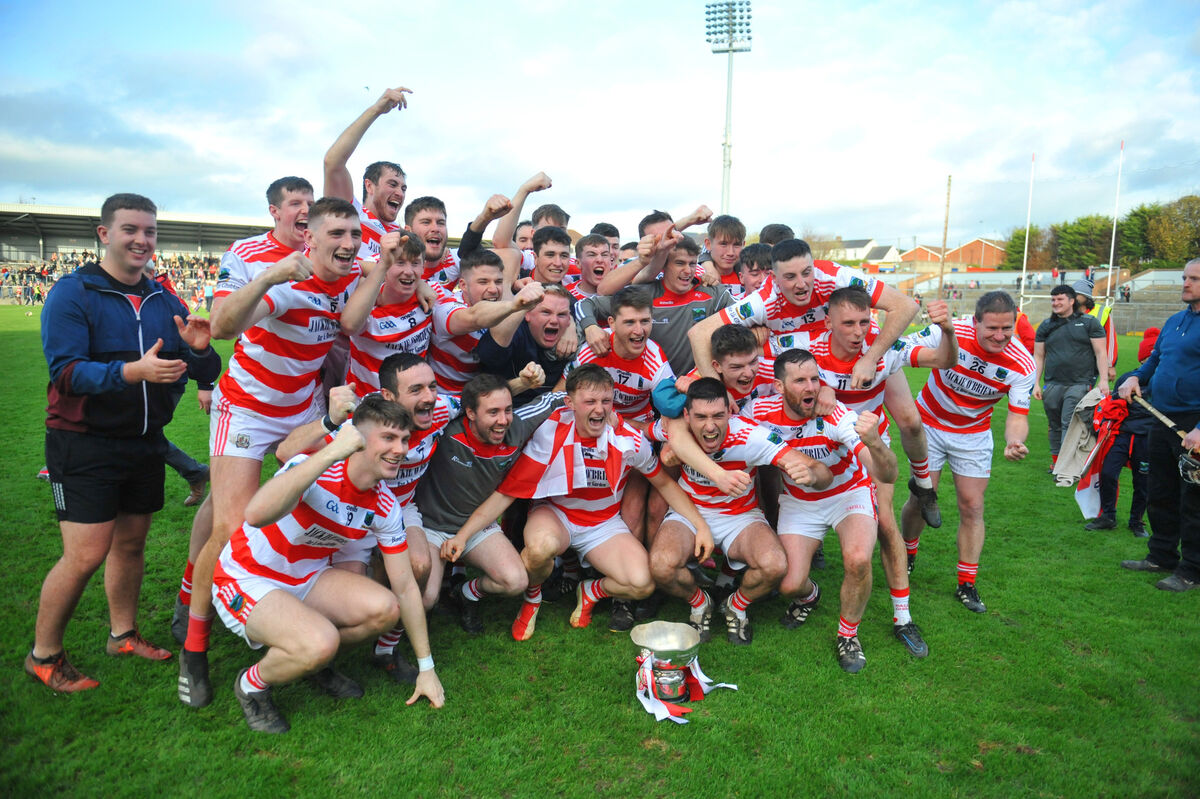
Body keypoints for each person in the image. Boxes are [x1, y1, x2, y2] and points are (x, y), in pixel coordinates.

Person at [178, 197, 368, 709]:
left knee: (309, 521)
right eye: (337, 235)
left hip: (302, 411)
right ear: (310, 238)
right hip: (245, 409)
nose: (348, 244)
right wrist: (268, 277)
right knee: (232, 526)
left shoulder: (353, 277)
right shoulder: (286, 278)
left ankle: (301, 639)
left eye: (354, 234)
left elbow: (361, 313)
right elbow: (220, 326)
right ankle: (194, 649)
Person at [27, 193, 220, 693]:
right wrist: (131, 372)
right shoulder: (73, 293)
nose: (142, 240)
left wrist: (200, 352)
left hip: (144, 442)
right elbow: (65, 374)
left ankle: (123, 634)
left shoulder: (164, 299)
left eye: (150, 231)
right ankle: (43, 655)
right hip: (82, 442)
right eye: (131, 229)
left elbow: (205, 367)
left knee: (131, 543)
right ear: (104, 234)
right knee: (85, 554)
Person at [213, 395, 443, 733]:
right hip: (247, 575)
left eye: (404, 439)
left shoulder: (384, 505)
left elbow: (406, 586)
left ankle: (313, 660)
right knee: (320, 642)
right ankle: (252, 685)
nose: (400, 449)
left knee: (385, 608)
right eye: (389, 438)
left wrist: (427, 667)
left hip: (307, 577)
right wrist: (332, 451)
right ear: (358, 438)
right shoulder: (316, 467)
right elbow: (255, 514)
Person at [445, 366, 713, 640]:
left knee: (642, 584)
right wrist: (464, 535)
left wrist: (700, 526)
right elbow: (507, 493)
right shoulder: (550, 432)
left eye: (606, 401)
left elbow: (665, 484)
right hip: (556, 514)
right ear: (570, 403)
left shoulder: (626, 440)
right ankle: (533, 597)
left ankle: (590, 591)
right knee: (539, 549)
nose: (599, 409)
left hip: (602, 523)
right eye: (590, 402)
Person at [774, 289, 960, 657]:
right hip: (822, 442)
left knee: (886, 525)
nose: (859, 331)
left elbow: (941, 359)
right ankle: (798, 583)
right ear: (827, 323)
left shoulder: (882, 348)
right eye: (848, 323)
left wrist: (949, 332)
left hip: (867, 441)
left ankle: (903, 618)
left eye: (864, 321)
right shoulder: (806, 346)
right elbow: (756, 358)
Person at [743, 350, 897, 673]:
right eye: (800, 380)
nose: (811, 387)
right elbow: (732, 434)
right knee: (788, 585)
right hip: (800, 502)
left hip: (847, 494)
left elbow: (885, 474)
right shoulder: (759, 410)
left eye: (815, 379)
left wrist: (876, 444)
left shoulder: (835, 415)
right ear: (779, 387)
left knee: (857, 560)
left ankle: (848, 634)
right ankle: (810, 596)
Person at [647, 378, 831, 645]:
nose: (710, 426)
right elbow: (640, 429)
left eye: (718, 416)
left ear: (729, 413)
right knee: (660, 566)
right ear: (687, 415)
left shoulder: (750, 436)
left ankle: (736, 604)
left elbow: (820, 471)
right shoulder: (677, 430)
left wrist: (812, 475)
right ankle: (701, 602)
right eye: (700, 417)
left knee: (775, 565)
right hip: (689, 513)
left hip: (740, 517)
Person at [900, 291, 1036, 613]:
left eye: (1007, 329)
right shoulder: (951, 330)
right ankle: (907, 554)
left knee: (973, 506)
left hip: (973, 435)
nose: (1000, 336)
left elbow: (1018, 416)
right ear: (974, 321)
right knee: (922, 497)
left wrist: (1014, 442)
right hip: (929, 424)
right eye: (991, 328)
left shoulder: (1023, 363)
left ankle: (966, 583)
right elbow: (900, 348)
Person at [1118, 258, 1200, 591]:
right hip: (1161, 418)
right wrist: (1136, 376)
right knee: (1160, 491)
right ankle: (1161, 555)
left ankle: (1192, 570)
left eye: (1193, 278)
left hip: (1192, 426)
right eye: (1184, 277)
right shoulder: (1175, 321)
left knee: (1193, 500)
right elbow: (1155, 360)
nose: (1185, 283)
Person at [323, 86, 411, 261]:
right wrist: (376, 110)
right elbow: (332, 163)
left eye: (403, 188)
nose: (400, 193)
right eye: (392, 184)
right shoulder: (352, 213)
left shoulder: (401, 235)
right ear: (369, 186)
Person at [1032, 284, 1109, 469]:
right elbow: (1039, 356)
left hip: (1079, 383)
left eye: (1060, 299)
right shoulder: (1046, 325)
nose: (1055, 303)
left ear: (1072, 301)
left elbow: (1101, 353)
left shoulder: (1089, 323)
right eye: (1053, 299)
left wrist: (1104, 380)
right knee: (1055, 424)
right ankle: (1057, 461)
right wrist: (1035, 383)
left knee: (1069, 422)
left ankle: (1066, 465)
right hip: (1051, 384)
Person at [476, 284, 573, 405]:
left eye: (561, 315)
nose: (554, 320)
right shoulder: (515, 333)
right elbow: (488, 356)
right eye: (546, 312)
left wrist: (574, 327)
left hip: (553, 414)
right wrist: (523, 383)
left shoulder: (577, 338)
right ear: (527, 314)